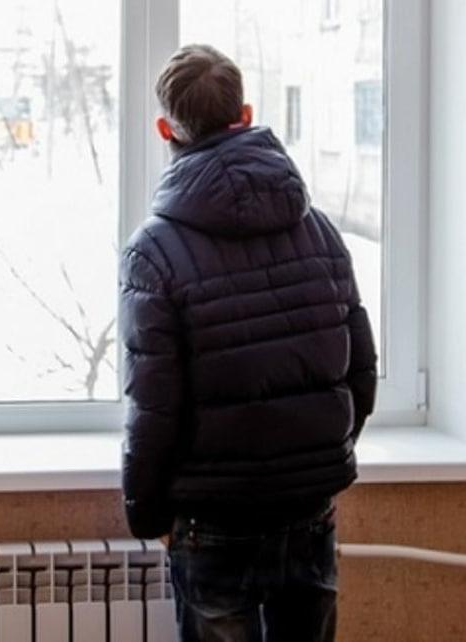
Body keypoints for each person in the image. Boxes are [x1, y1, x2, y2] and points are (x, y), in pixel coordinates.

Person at [119, 44, 377, 641]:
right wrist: (318, 464)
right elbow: (360, 369)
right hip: (308, 511)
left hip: (213, 519)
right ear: (246, 114)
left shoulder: (152, 252)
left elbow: (154, 406)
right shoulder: (319, 230)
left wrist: (149, 515)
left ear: (165, 129)